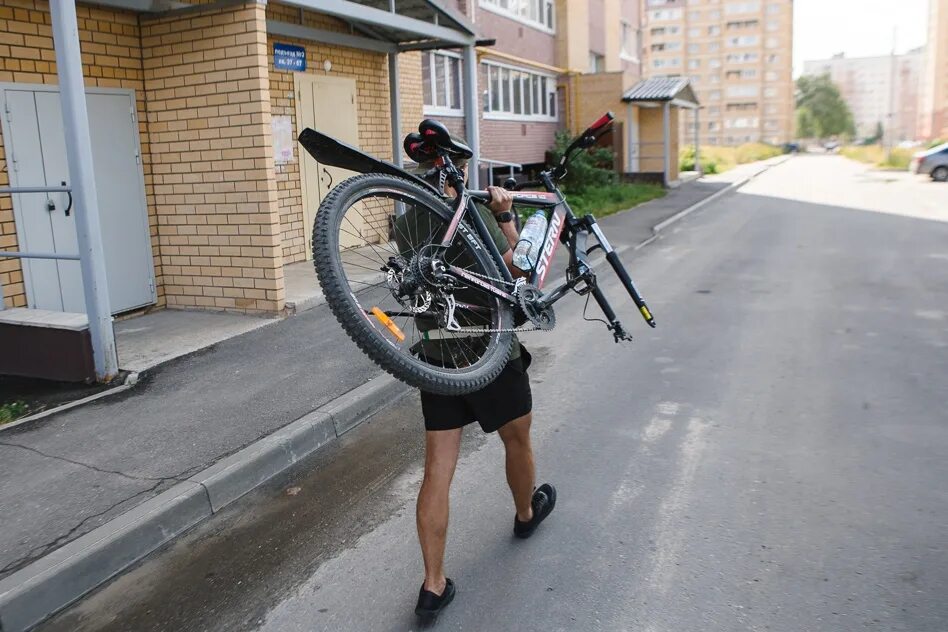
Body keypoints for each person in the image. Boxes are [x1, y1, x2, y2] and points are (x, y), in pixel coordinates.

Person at [393, 158, 557, 619]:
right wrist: (507, 219)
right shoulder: (473, 214)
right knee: (517, 440)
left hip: (438, 359)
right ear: (457, 168)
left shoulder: (405, 222)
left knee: (437, 471)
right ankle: (526, 515)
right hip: (489, 353)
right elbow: (516, 275)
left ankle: (433, 585)